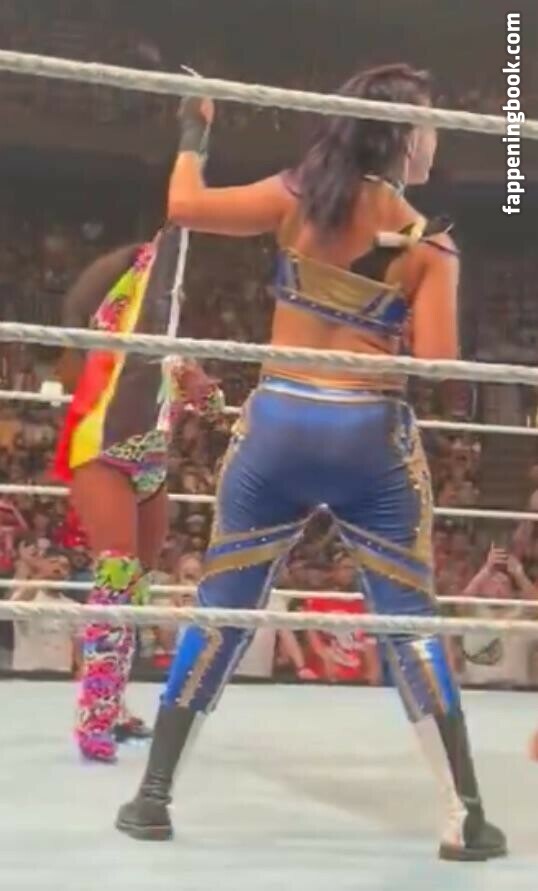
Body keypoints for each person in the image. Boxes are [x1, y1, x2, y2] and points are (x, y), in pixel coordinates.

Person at [116, 64, 505, 860]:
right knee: (409, 621)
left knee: (223, 606)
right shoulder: (427, 242)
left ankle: (152, 796)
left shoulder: (297, 196)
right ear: (403, 136)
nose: (437, 136)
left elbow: (183, 204)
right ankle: (463, 816)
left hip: (279, 426)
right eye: (430, 121)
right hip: (367, 434)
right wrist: (395, 315)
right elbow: (441, 368)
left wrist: (196, 128)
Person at [52, 204, 222, 762]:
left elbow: (208, 404)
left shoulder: (165, 347)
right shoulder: (107, 337)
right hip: (102, 457)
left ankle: (115, 703)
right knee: (117, 577)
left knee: (137, 589)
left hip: (151, 466)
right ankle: (94, 717)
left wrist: (203, 390)